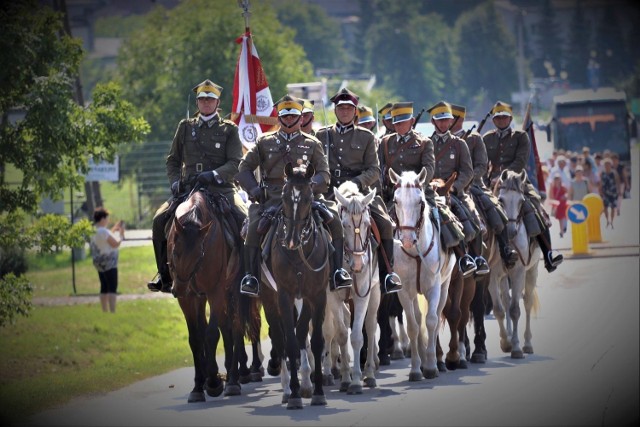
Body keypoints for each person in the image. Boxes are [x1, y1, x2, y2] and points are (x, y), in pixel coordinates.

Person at [235, 94, 352, 296]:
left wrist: (308, 186)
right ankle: (251, 277)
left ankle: (337, 272)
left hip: (306, 198)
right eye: (285, 116)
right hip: (272, 198)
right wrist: (253, 189)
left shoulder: (312, 143)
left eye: (293, 116)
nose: (289, 120)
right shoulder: (264, 142)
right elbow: (243, 168)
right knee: (254, 227)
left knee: (334, 222)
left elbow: (325, 175)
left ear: (300, 118)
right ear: (279, 118)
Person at [148, 79, 248, 293]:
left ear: (217, 102)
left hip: (221, 189)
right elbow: (172, 160)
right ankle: (164, 275)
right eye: (202, 99)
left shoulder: (228, 129)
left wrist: (212, 174)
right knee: (159, 220)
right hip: (188, 189)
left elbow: (235, 163)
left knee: (244, 219)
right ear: (197, 102)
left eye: (210, 99)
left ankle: (247, 275)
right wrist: (175, 182)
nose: (205, 103)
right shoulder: (185, 127)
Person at [315, 88, 401, 294]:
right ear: (335, 110)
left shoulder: (366, 137)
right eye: (341, 108)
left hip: (360, 192)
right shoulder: (322, 135)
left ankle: (387, 274)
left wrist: (355, 183)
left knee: (386, 224)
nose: (344, 111)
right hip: (331, 191)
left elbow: (374, 170)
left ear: (355, 112)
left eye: (348, 108)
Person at [483, 101, 563, 273]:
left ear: (510, 118)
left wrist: (503, 177)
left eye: (504, 117)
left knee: (536, 208)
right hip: (491, 183)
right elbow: (483, 163)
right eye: (498, 118)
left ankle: (548, 254)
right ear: (493, 120)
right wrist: (486, 179)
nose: (501, 120)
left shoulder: (520, 136)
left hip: (517, 181)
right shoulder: (487, 138)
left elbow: (520, 162)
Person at [450, 103, 517, 269]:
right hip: (447, 187)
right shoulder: (441, 140)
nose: (445, 123)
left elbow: (481, 166)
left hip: (473, 185)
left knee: (494, 210)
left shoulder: (474, 138)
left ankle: (505, 248)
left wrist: (465, 181)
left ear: (460, 119)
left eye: (450, 119)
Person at [427, 101, 480, 277]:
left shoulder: (459, 144)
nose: (443, 124)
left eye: (446, 120)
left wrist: (455, 187)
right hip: (431, 193)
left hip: (454, 192)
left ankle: (474, 259)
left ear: (451, 121)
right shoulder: (425, 144)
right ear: (433, 122)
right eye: (439, 120)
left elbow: (468, 171)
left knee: (473, 217)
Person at [90, 207, 124, 313]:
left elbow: (106, 239)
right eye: (107, 218)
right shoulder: (104, 231)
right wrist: (121, 234)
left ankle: (104, 311)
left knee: (104, 286)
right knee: (112, 287)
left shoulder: (94, 230)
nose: (108, 221)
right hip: (109, 263)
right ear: (102, 219)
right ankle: (112, 311)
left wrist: (114, 229)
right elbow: (115, 243)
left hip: (99, 263)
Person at [599, 157, 620, 229]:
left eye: (608, 164)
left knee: (613, 208)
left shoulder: (614, 172)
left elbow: (617, 182)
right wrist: (600, 191)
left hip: (613, 192)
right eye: (605, 164)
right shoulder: (602, 173)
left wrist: (619, 191)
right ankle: (607, 220)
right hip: (605, 193)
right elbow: (601, 183)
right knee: (605, 207)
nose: (607, 165)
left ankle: (612, 221)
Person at [549, 173, 568, 237]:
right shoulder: (552, 187)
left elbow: (567, 194)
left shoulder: (563, 187)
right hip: (557, 205)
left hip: (563, 204)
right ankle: (561, 230)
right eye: (556, 179)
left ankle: (563, 229)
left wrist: (564, 196)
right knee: (560, 218)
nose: (557, 180)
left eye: (558, 179)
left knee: (564, 217)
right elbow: (550, 196)